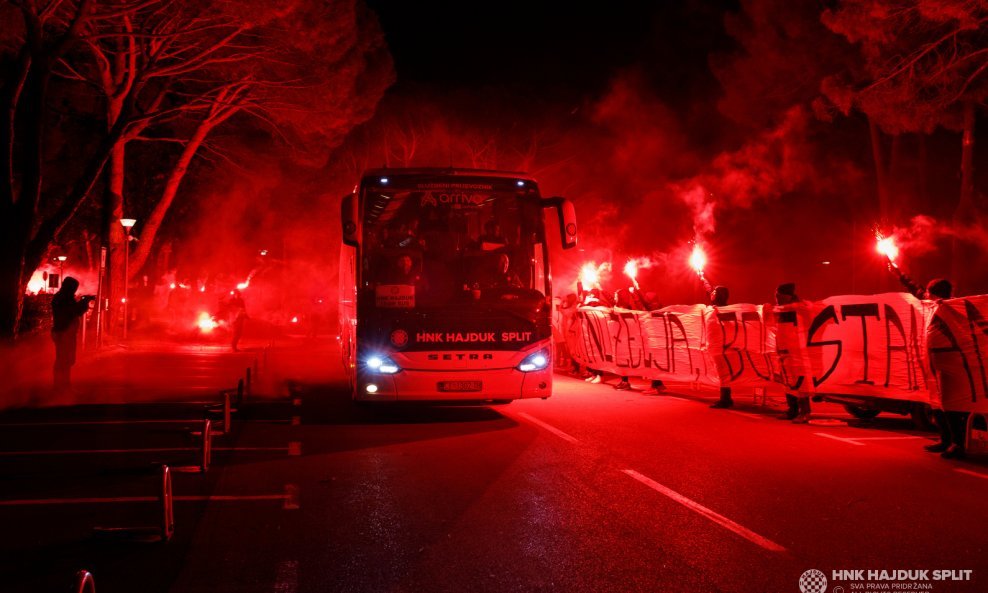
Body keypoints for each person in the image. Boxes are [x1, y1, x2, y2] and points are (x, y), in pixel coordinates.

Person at [775, 282, 812, 423]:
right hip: (784, 350)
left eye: (779, 295)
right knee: (788, 381)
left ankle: (805, 412)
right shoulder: (781, 310)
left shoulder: (800, 307)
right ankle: (792, 410)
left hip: (798, 351)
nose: (777, 298)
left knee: (801, 382)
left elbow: (806, 308)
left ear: (787, 296)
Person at [51, 277, 93, 390]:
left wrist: (83, 302)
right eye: (74, 288)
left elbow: (73, 310)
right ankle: (61, 385)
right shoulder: (64, 298)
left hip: (65, 332)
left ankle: (62, 384)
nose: (74, 290)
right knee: (64, 359)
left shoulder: (62, 297)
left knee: (66, 359)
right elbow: (74, 311)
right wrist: (84, 302)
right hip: (64, 332)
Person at [702, 277, 734, 409]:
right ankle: (725, 398)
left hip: (723, 346)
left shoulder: (725, 310)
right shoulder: (714, 308)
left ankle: (726, 399)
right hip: (716, 345)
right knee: (721, 372)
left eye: (715, 292)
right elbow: (710, 294)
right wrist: (706, 283)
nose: (712, 294)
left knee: (724, 372)